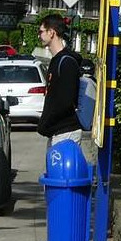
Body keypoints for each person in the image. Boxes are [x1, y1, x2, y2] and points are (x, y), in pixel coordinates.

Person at [35, 13, 96, 163]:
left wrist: (46, 123)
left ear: (52, 32)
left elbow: (65, 100)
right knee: (54, 178)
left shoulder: (66, 62)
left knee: (62, 178)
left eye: (41, 31)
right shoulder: (57, 60)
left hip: (66, 132)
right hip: (57, 132)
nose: (39, 36)